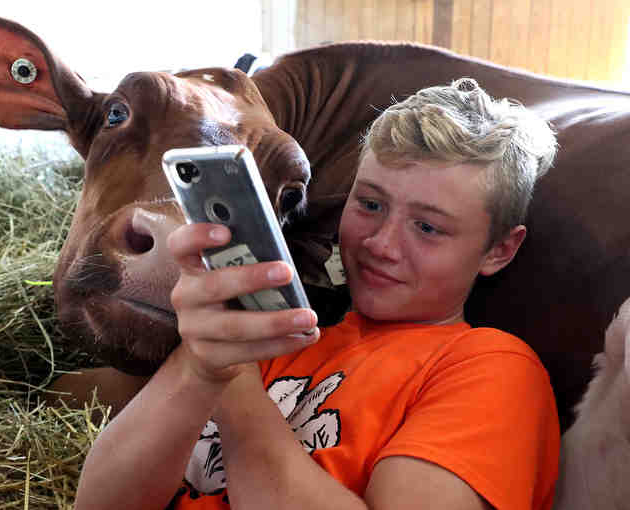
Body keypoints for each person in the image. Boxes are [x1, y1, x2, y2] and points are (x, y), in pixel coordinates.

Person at [74, 78, 560, 510]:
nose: (380, 244)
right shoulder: (278, 327)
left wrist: (235, 380)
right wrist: (201, 365)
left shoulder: (490, 368)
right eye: (369, 203)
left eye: (428, 227)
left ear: (499, 249)